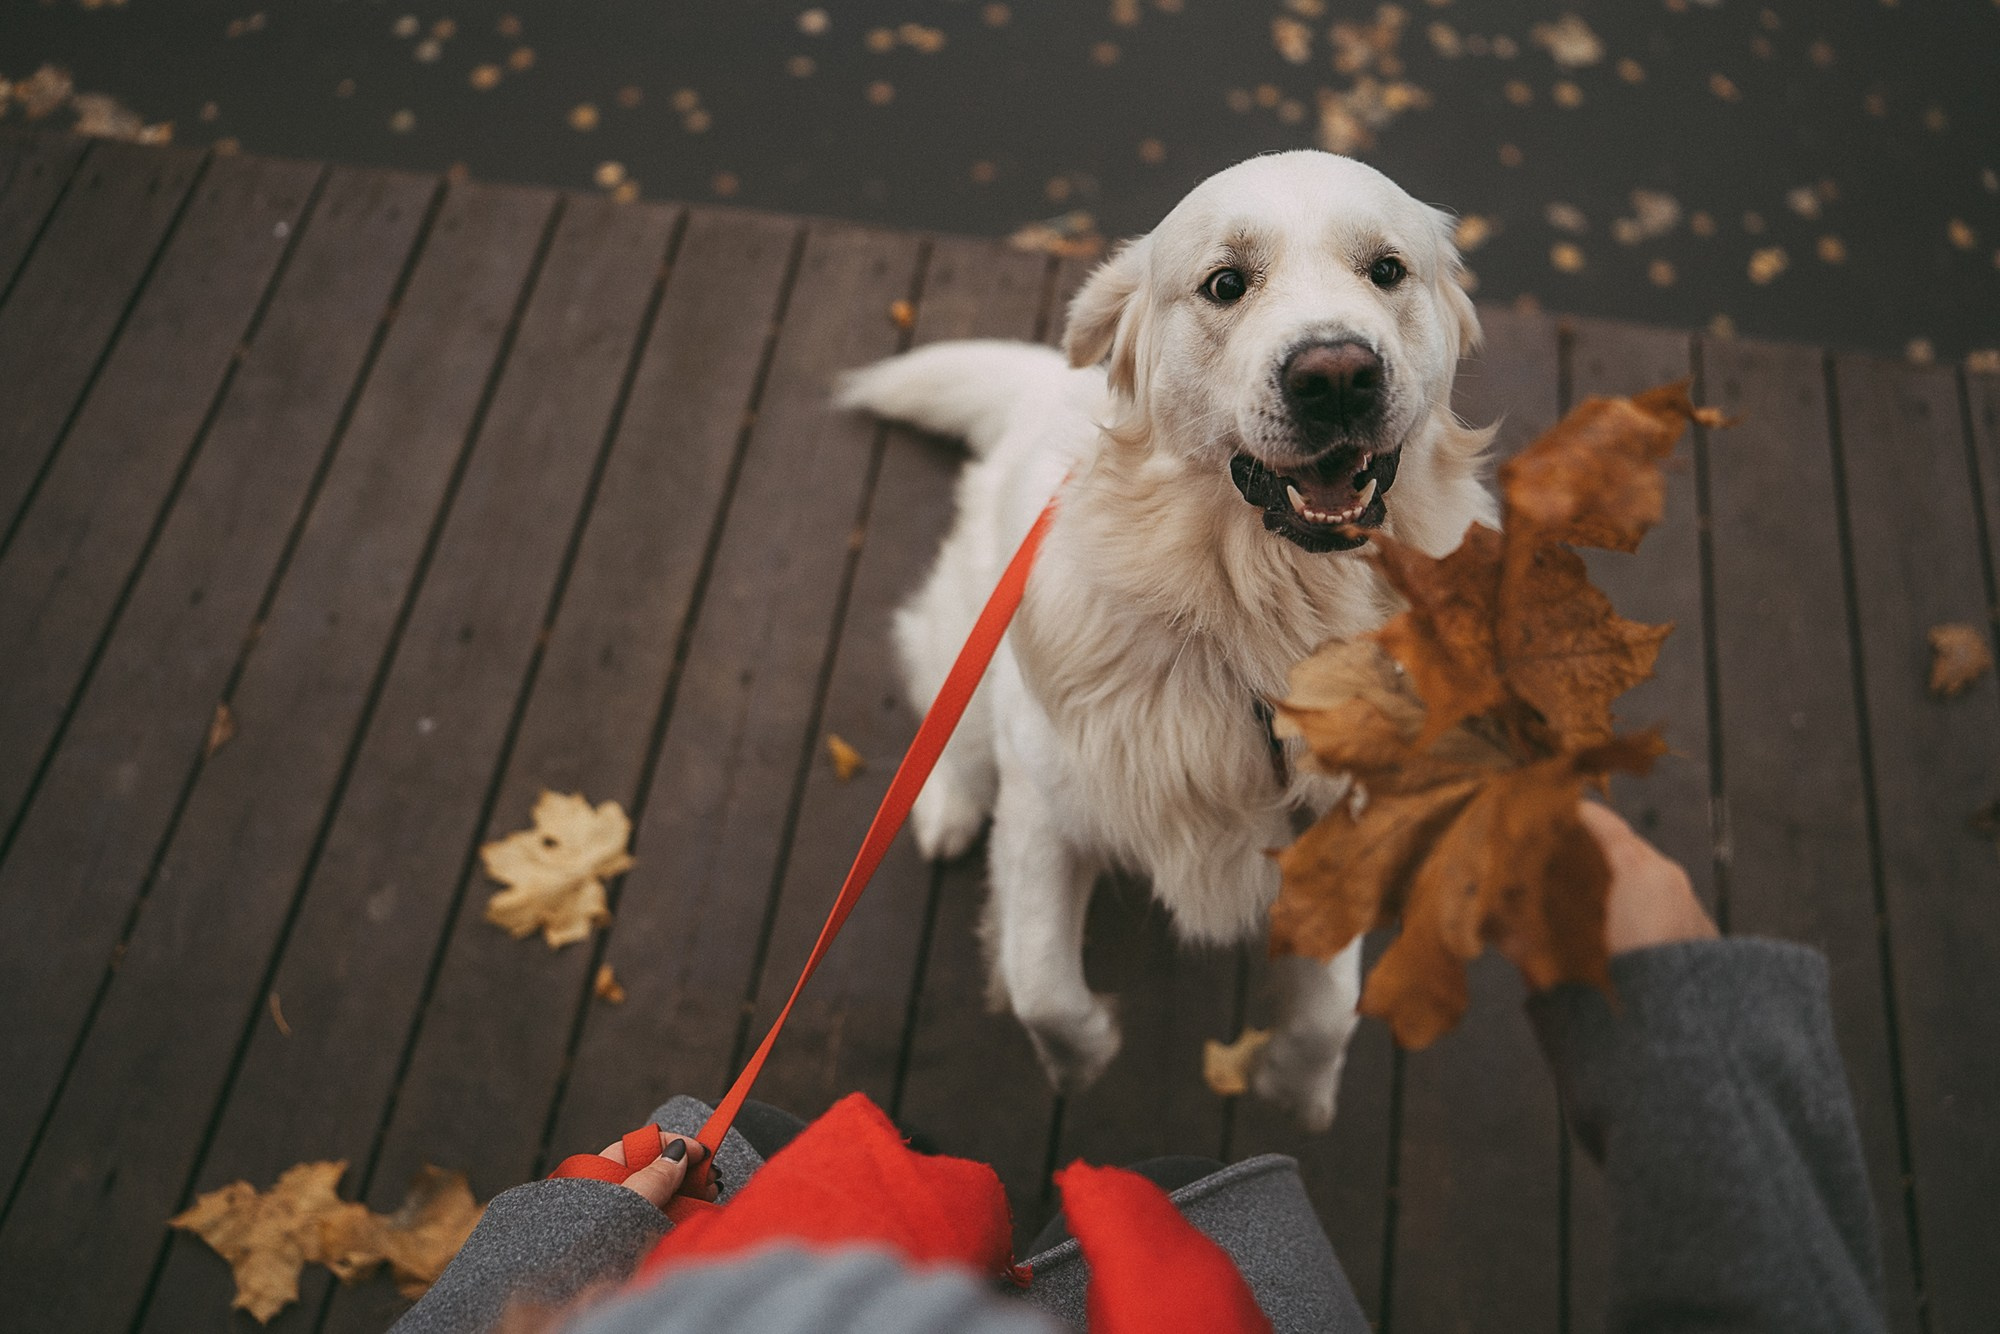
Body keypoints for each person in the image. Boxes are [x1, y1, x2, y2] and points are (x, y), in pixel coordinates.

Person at [394, 805, 1891, 1333]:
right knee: (1191, 1187)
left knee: (762, 1135)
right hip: (1140, 1285)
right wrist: (1677, 1024)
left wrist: (583, 1218)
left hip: (754, 1257)